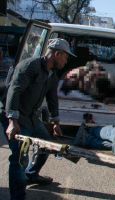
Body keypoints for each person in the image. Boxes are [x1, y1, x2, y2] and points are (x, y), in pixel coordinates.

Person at [1, 38, 76, 200]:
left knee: (47, 144)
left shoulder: (52, 74)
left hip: (32, 117)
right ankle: (18, 196)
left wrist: (55, 122)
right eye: (66, 57)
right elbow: (14, 92)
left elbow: (52, 98)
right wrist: (12, 121)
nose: (66, 60)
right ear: (57, 54)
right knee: (20, 158)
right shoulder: (30, 66)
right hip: (15, 116)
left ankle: (31, 174)